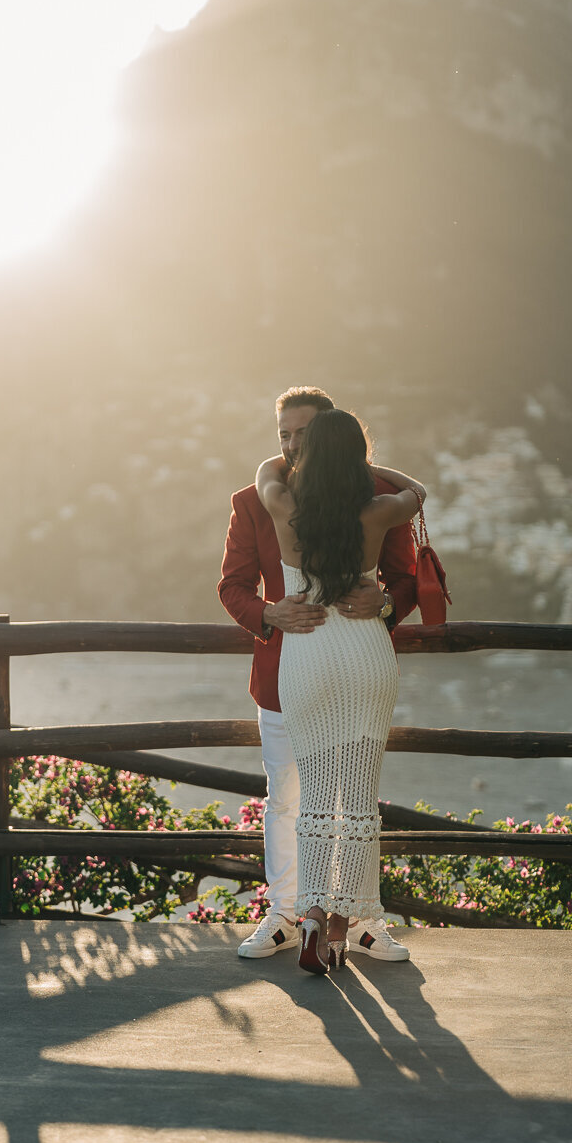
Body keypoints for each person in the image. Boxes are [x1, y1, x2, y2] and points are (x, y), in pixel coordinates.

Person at [218, 386, 417, 962]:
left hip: (318, 665)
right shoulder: (254, 502)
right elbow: (231, 587)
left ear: (322, 434)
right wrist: (267, 613)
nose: (291, 443)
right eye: (282, 434)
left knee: (345, 797)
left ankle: (352, 920)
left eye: (303, 434)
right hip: (288, 667)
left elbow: (403, 580)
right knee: (288, 797)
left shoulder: (285, 497)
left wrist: (382, 601)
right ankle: (285, 914)